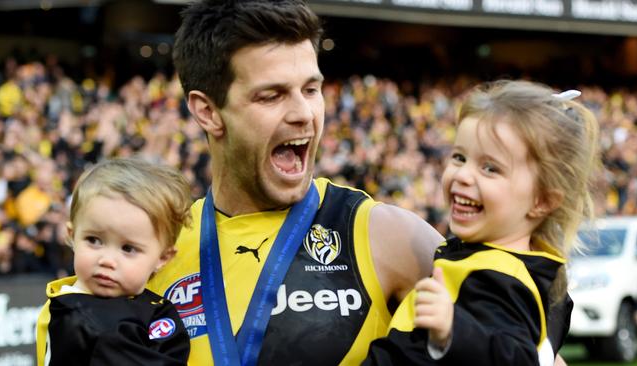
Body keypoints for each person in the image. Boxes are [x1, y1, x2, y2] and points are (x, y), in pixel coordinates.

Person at [146, 1, 443, 365]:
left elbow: (507, 334)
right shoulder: (154, 251)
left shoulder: (386, 236)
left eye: (311, 90)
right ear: (208, 111)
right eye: (271, 96)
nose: (304, 114)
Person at [362, 80, 600, 366]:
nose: (463, 175)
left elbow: (520, 359)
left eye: (490, 168)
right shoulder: (493, 260)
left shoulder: (502, 277)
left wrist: (454, 332)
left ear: (542, 201)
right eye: (460, 157)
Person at [35, 157, 193, 366]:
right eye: (94, 240)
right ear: (72, 236)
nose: (107, 260)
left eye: (128, 248)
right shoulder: (71, 317)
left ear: (163, 257)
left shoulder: (159, 311)